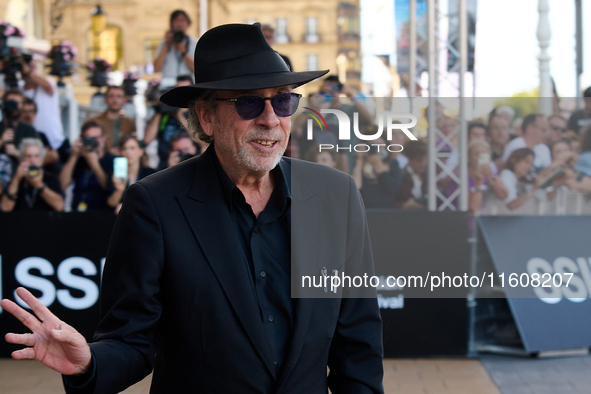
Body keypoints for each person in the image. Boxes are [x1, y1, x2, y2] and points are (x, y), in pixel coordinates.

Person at [1, 23, 384, 393]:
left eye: (283, 100)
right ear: (206, 116)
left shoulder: (336, 195)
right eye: (249, 102)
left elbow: (358, 344)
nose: (271, 119)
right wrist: (89, 364)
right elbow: (131, 340)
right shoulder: (155, 204)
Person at [59, 121, 115, 212]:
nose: (92, 142)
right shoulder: (79, 160)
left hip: (103, 215)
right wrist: (73, 156)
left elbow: (110, 188)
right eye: (88, 138)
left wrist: (94, 164)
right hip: (78, 214)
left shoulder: (112, 160)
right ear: (82, 139)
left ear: (103, 138)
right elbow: (62, 185)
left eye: (96, 138)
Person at [0, 138, 64, 212]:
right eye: (28, 156)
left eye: (36, 156)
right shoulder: (16, 179)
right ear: (21, 159)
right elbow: (5, 208)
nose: (33, 161)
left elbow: (60, 206)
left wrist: (39, 185)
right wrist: (17, 179)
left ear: (41, 159)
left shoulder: (51, 178)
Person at [144, 76, 192, 169]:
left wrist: (180, 115)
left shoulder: (196, 113)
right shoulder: (163, 115)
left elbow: (201, 142)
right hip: (165, 166)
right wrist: (160, 108)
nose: (181, 96)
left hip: (190, 164)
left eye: (184, 91)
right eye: (178, 91)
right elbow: (147, 139)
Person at [22, 59, 65, 151]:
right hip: (30, 143)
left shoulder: (49, 81)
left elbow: (49, 87)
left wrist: (28, 72)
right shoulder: (19, 88)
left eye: (32, 66)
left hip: (52, 140)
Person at [107, 134, 156, 213]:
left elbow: (154, 201)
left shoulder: (151, 174)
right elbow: (111, 203)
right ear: (120, 152)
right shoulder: (114, 173)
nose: (128, 152)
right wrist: (119, 190)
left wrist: (127, 207)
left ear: (141, 151)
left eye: (132, 148)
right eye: (124, 148)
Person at [153, 10, 198, 88]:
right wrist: (166, 44)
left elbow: (197, 69)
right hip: (167, 86)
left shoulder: (194, 43)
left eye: (182, 20)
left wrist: (183, 51)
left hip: (187, 85)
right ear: (171, 24)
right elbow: (156, 69)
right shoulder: (164, 43)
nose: (179, 24)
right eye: (176, 21)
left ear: (188, 23)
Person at [86, 85, 136, 155]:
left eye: (119, 96)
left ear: (124, 100)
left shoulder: (130, 123)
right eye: (111, 96)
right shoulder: (94, 121)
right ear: (105, 99)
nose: (115, 100)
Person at [0, 88, 39, 169]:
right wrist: (1, 141)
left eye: (18, 102)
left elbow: (38, 160)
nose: (14, 105)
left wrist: (17, 153)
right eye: (11, 102)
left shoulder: (29, 130)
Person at [395, 139, 428, 209]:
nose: (423, 164)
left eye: (425, 160)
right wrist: (403, 205)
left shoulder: (428, 177)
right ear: (409, 159)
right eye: (419, 161)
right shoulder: (401, 176)